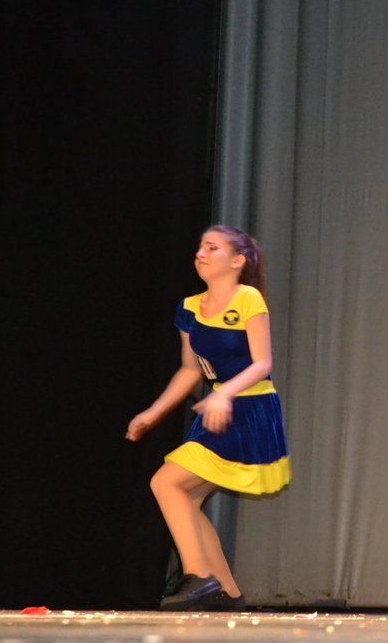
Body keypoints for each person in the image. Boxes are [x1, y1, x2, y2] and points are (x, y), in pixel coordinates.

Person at [127, 225, 291, 611]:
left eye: (212, 248)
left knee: (166, 482)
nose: (201, 253)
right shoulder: (188, 308)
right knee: (183, 495)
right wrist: (152, 413)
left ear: (237, 261)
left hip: (249, 410)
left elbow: (262, 363)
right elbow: (190, 370)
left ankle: (199, 577)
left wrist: (225, 394)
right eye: (201, 246)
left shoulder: (247, 298)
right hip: (217, 411)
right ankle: (228, 594)